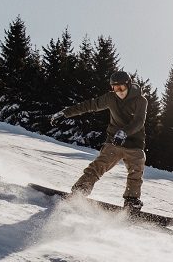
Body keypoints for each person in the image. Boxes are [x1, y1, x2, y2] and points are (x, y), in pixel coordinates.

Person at [51, 70, 149, 210]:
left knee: (136, 170)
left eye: (121, 88)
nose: (119, 92)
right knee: (99, 165)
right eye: (115, 88)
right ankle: (80, 191)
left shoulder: (140, 100)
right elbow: (89, 105)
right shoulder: (110, 98)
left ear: (129, 85)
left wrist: (124, 133)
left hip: (134, 143)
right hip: (114, 141)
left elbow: (139, 121)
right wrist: (66, 113)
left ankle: (131, 201)